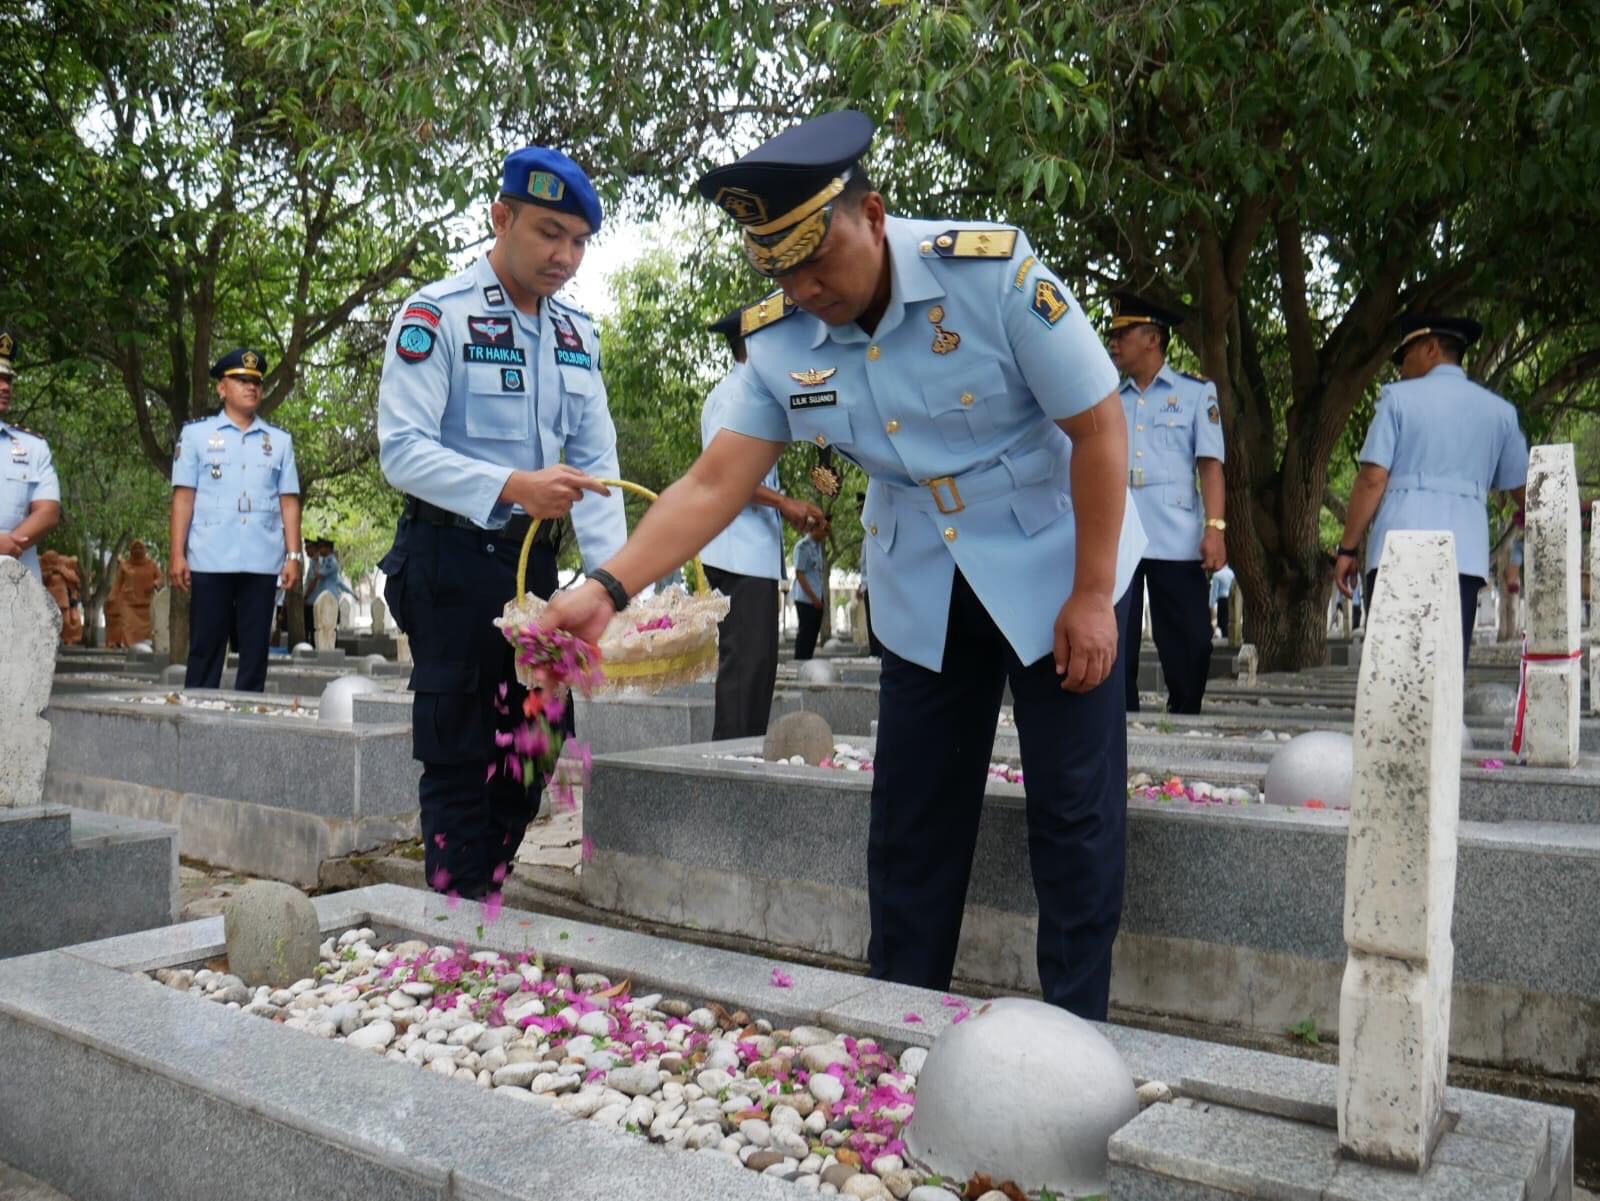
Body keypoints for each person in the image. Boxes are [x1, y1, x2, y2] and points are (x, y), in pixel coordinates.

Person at [535, 111, 1145, 1020]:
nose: (806, 285)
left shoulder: (992, 273)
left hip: (1057, 566)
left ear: (874, 213)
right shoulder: (780, 338)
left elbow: (1098, 427)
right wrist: (605, 588)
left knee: (1073, 812)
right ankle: (899, 1025)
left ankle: (1076, 1036)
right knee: (912, 824)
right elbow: (711, 482)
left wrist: (1095, 593)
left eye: (820, 259)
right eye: (780, 269)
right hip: (923, 588)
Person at [376, 145, 626, 902]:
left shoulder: (578, 333)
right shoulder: (437, 316)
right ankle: (461, 912)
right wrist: (511, 484)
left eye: (579, 241)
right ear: (502, 217)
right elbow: (402, 450)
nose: (565, 256)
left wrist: (620, 588)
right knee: (458, 751)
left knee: (536, 744)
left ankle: (485, 881)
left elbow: (601, 472)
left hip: (535, 573)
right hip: (449, 562)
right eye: (550, 233)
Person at [1334, 314, 1528, 665]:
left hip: (1400, 545)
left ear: (1431, 348)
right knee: (1447, 670)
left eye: (1405, 356)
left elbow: (1372, 479)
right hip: (1464, 552)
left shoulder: (1396, 399)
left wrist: (1347, 548)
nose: (1401, 369)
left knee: (1393, 670)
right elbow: (1525, 492)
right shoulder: (1501, 413)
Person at [700, 307, 824, 738]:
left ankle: (742, 762)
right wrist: (784, 502)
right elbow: (725, 476)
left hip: (753, 556)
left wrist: (784, 506)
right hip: (737, 556)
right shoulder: (734, 396)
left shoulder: (755, 398)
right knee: (744, 675)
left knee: (756, 672)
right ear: (754, 347)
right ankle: (730, 772)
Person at [1107, 291, 1226, 714]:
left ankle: (1186, 714)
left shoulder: (1195, 393)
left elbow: (1210, 465)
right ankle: (1121, 722)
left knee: (1190, 639)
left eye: (1123, 333)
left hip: (1175, 532)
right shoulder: (1108, 397)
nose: (1113, 342)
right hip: (1119, 532)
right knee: (1114, 641)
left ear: (1153, 338)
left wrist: (1215, 528)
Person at [170, 347, 303, 690]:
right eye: (241, 380)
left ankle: (249, 724)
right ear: (221, 388)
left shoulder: (279, 441)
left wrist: (293, 555)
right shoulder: (196, 436)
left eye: (255, 382)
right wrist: (177, 553)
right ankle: (198, 718)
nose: (250, 387)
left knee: (256, 650)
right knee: (205, 647)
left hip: (261, 559)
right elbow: (184, 498)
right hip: (210, 557)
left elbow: (288, 502)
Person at [0, 331, 62, 582]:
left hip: (19, 587)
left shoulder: (33, 447)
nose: (5, 386)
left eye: (9, 380)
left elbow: (48, 512)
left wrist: (6, 550)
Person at [791, 517, 828, 660]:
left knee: (813, 635)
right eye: (823, 529)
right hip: (806, 599)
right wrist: (813, 598)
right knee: (805, 635)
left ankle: (807, 661)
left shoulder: (818, 546)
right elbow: (799, 575)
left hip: (817, 598)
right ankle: (799, 663)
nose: (825, 533)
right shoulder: (803, 546)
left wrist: (819, 598)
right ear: (814, 528)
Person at [1208, 562, 1235, 640]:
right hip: (1232, 599)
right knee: (1232, 620)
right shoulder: (1232, 573)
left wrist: (1211, 605)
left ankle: (1225, 638)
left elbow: (1214, 592)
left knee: (1223, 622)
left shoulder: (1217, 575)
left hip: (1222, 600)